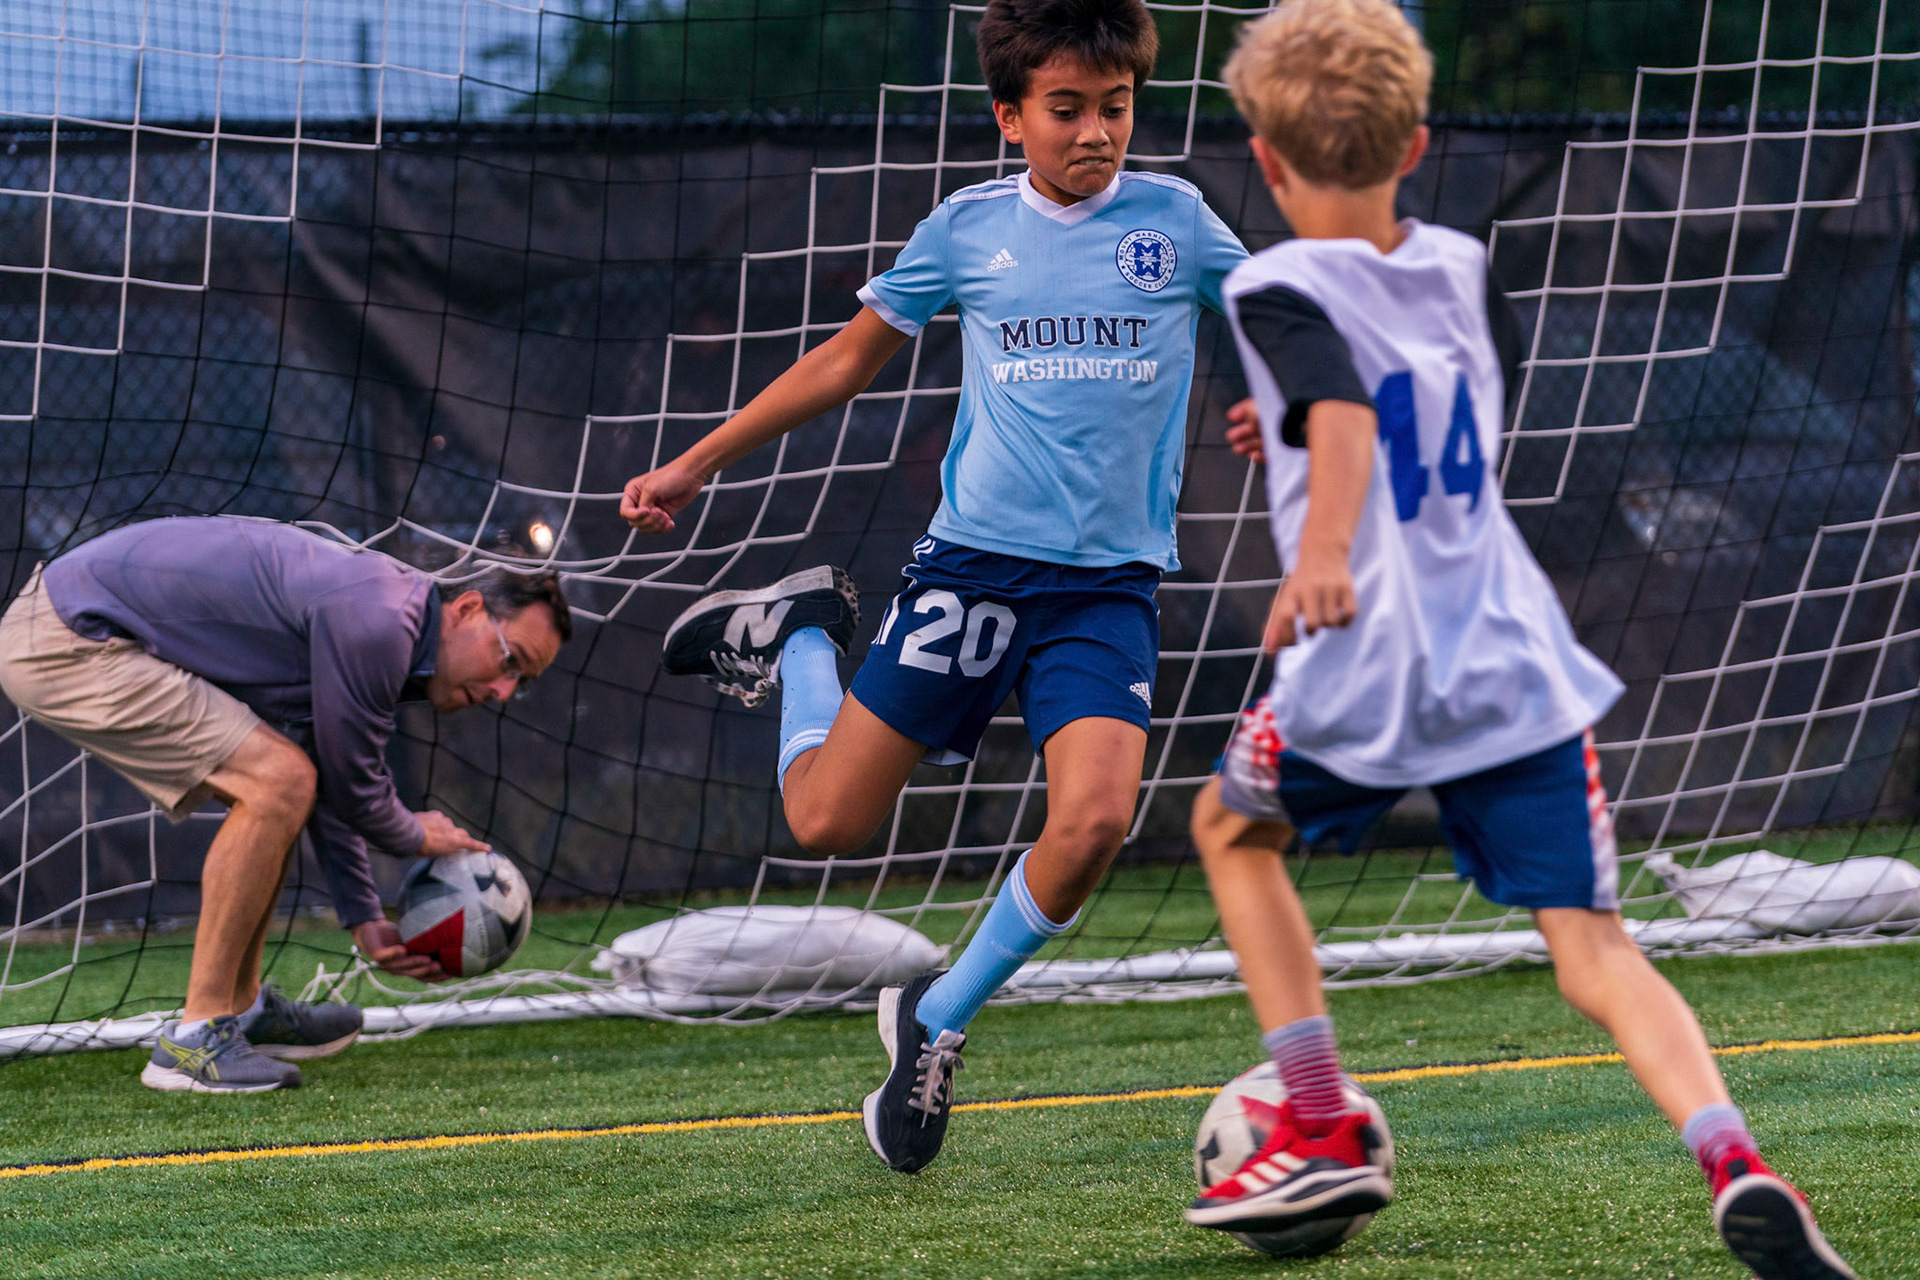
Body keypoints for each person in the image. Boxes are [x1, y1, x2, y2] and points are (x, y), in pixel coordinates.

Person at [1179, 3, 1857, 1278]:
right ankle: (1736, 1158)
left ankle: (1318, 1116)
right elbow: (1430, 407)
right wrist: (1288, 428)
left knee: (1231, 830)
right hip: (1508, 651)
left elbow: (1343, 416)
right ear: (1418, 143)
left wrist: (1319, 550)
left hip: (1368, 652)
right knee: (1594, 947)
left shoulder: (1272, 285)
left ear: (1263, 162)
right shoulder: (1463, 266)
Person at [621, 0, 1248, 1174]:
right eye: (1067, 109)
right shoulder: (967, 231)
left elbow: (1278, 324)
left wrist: (1288, 401)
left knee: (1098, 818)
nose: (1096, 132)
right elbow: (848, 358)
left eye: (1116, 107)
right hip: (974, 573)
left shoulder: (1180, 223)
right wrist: (699, 460)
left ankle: (938, 1014)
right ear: (1012, 115)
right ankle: (803, 635)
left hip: (1106, 591)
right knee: (826, 820)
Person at [0, 515, 570, 1093]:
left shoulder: (394, 620)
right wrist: (415, 835)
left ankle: (240, 1010)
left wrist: (367, 921)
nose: (502, 691)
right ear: (468, 609)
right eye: (509, 660)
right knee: (275, 783)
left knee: (284, 783)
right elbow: (353, 785)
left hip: (68, 623)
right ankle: (194, 1039)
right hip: (69, 636)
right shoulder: (382, 621)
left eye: (520, 683)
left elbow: (326, 776)